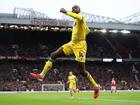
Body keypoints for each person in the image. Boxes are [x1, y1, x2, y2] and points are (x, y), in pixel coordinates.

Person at [30, 5, 100, 99]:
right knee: (53, 55)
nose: (75, 9)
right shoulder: (77, 21)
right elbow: (87, 30)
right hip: (72, 43)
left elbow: (79, 18)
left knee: (81, 71)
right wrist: (84, 31)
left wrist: (65, 12)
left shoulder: (80, 17)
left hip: (80, 46)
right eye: (73, 8)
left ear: (78, 10)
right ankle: (42, 75)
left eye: (76, 8)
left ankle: (95, 87)